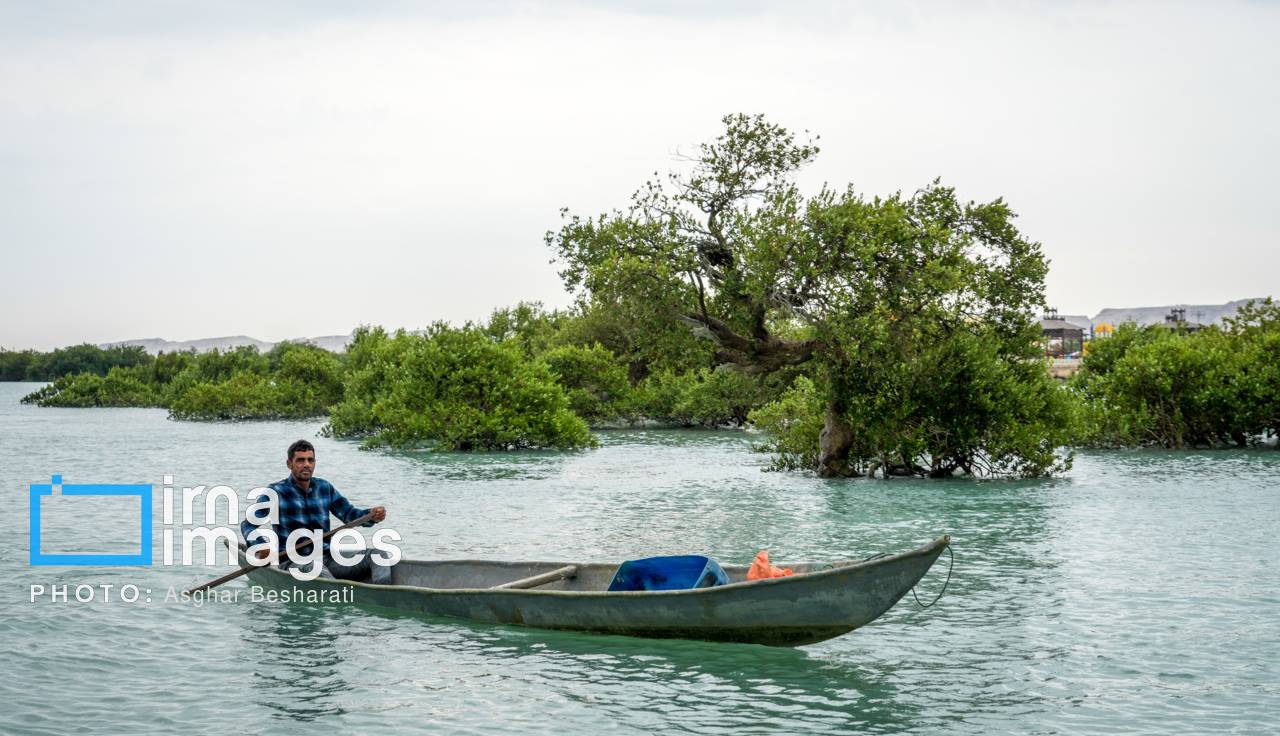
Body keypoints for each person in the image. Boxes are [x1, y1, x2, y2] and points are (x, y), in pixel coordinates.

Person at [241, 439, 390, 582]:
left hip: (328, 557)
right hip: (293, 562)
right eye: (300, 460)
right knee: (316, 568)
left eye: (310, 460)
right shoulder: (275, 491)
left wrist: (371, 515)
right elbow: (248, 525)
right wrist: (261, 546)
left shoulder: (324, 487)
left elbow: (349, 515)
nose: (306, 465)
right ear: (289, 464)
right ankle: (340, 598)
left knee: (378, 554)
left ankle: (383, 595)